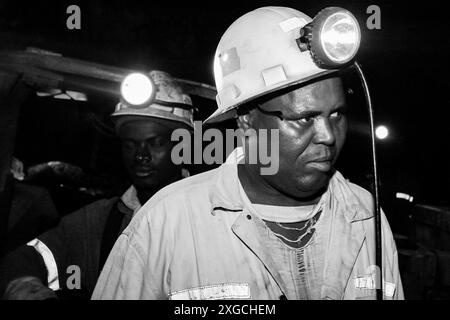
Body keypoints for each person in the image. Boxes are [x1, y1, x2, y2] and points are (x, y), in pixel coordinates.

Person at [92, 7, 403, 300]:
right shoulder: (165, 224)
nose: (327, 136)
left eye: (336, 115)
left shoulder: (367, 218)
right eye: (304, 118)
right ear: (247, 119)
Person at [0, 70, 194, 299]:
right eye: (131, 144)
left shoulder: (210, 216)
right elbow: (28, 257)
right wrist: (27, 287)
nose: (141, 155)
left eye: (156, 143)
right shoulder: (101, 221)